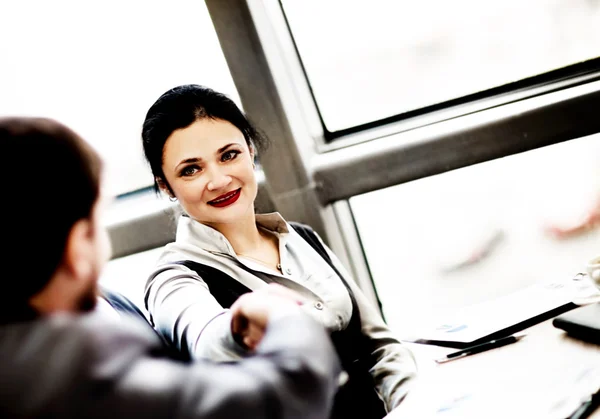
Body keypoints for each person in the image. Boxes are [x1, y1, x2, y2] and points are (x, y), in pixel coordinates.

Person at [0, 116, 341, 419]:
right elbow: (280, 397)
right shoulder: (81, 373)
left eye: (229, 154)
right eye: (98, 221)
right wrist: (282, 315)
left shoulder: (108, 307)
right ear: (78, 246)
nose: (219, 180)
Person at [141, 84, 418, 418]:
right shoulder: (172, 275)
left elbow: (381, 348)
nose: (218, 180)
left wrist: (414, 407)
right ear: (165, 185)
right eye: (191, 169)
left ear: (251, 150)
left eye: (229, 155)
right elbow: (204, 339)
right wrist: (239, 324)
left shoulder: (301, 238)